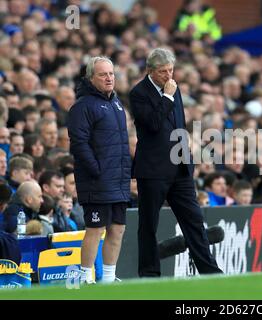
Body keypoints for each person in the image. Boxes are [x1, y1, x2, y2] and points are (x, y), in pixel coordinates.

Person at [129, 48, 222, 277]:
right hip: (153, 170)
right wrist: (167, 97)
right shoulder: (139, 93)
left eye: (171, 70)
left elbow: (178, 124)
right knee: (149, 224)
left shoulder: (173, 87)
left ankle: (211, 272)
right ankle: (149, 274)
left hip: (179, 167)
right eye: (162, 71)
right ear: (150, 71)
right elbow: (153, 124)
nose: (168, 75)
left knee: (194, 221)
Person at [67, 56, 132, 284]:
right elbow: (78, 143)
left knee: (118, 229)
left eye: (111, 73)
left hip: (118, 179)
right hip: (97, 180)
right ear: (91, 78)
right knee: (95, 229)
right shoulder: (83, 106)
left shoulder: (116, 103)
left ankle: (109, 278)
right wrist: (96, 170)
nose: (109, 78)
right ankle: (86, 277)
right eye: (103, 74)